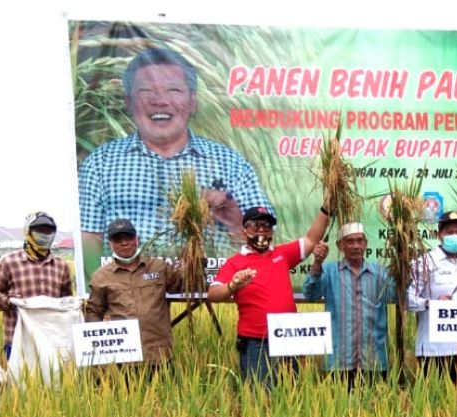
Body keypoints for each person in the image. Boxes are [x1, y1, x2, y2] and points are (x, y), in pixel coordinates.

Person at [77, 46, 272, 274]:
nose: (160, 101)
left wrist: (235, 220)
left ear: (193, 101)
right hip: (131, 297)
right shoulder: (100, 164)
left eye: (174, 90)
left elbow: (264, 243)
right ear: (129, 102)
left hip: (212, 296)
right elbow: (87, 242)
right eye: (146, 91)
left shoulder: (231, 165)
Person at [208, 204, 330, 387]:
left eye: (267, 226)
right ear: (244, 231)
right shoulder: (235, 263)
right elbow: (213, 293)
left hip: (289, 338)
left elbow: (312, 239)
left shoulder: (282, 255)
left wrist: (326, 210)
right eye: (256, 226)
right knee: (260, 398)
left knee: (291, 396)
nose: (262, 231)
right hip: (257, 344)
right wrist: (232, 285)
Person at [304, 222, 396, 387]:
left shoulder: (380, 272)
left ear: (366, 244)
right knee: (338, 410)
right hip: (339, 361)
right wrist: (316, 263)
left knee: (376, 409)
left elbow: (396, 296)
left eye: (360, 241)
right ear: (340, 246)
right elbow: (311, 295)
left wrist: (402, 265)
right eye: (350, 241)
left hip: (373, 360)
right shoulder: (329, 271)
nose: (355, 246)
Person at [84, 218, 183, 370]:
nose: (124, 243)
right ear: (110, 244)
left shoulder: (159, 268)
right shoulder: (101, 277)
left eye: (129, 237)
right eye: (118, 239)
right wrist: (99, 345)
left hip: (159, 355)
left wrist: (196, 263)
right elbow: (93, 311)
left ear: (137, 239)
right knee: (125, 394)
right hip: (122, 358)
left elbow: (185, 285)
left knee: (164, 393)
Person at [406, 210, 457, 381]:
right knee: (435, 404)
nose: (455, 236)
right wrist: (432, 303)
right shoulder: (425, 262)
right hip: (434, 350)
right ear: (438, 235)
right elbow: (407, 300)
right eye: (449, 232)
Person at [0, 211, 73, 359]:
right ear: (28, 232)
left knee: (54, 381)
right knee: (21, 382)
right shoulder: (9, 262)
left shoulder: (61, 266)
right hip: (18, 338)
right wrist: (10, 302)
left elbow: (66, 300)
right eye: (40, 230)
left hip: (52, 339)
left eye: (49, 231)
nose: (45, 235)